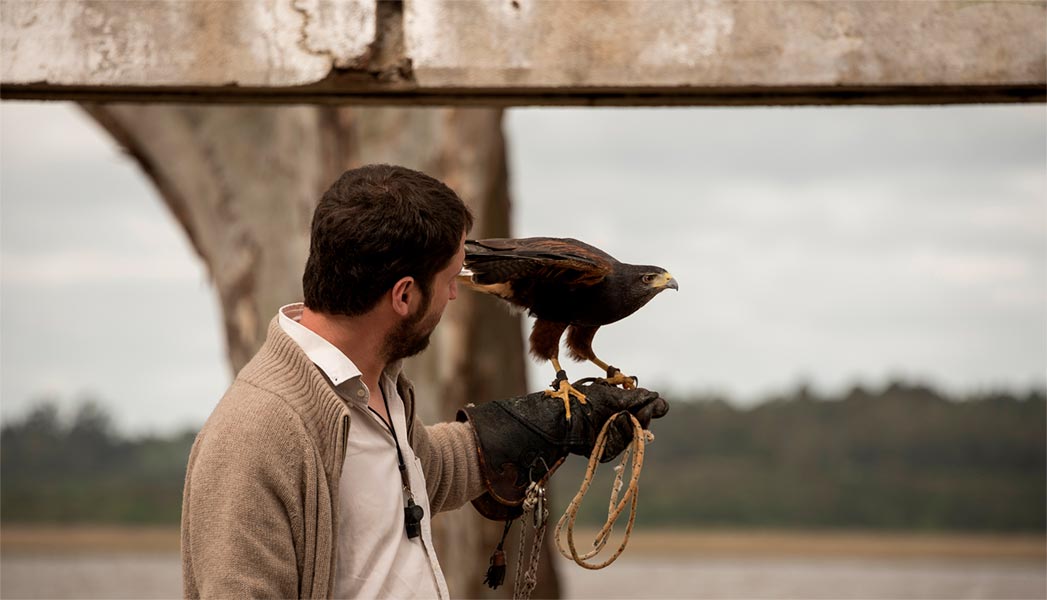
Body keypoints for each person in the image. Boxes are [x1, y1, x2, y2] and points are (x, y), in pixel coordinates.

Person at [180, 164, 668, 599]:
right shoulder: (257, 434)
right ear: (405, 296)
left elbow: (416, 475)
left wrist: (546, 425)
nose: (456, 294)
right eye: (451, 279)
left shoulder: (376, 387)